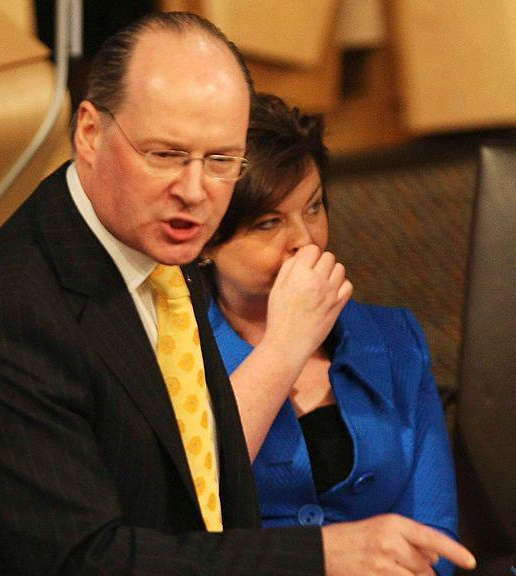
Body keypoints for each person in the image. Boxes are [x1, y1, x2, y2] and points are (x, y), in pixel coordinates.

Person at [0, 11, 475, 576]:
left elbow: (191, 504)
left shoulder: (152, 248)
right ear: (90, 132)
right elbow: (88, 561)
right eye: (166, 156)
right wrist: (323, 555)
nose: (195, 191)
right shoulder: (10, 319)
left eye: (221, 160)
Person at [201, 93, 460, 575]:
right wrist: (288, 341)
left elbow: (435, 535)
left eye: (314, 208)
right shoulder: (172, 357)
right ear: (205, 240)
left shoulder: (393, 337)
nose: (305, 239)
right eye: (269, 222)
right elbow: (185, 512)